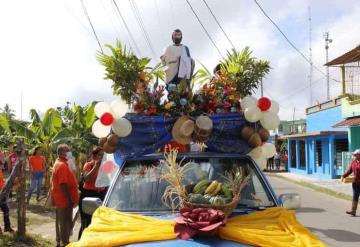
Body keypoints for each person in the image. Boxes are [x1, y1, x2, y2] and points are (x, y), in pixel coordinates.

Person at [51, 144, 79, 247]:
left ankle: (60, 241)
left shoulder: (62, 163)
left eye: (69, 150)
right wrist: (69, 199)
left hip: (62, 199)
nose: (69, 153)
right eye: (66, 151)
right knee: (64, 223)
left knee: (63, 222)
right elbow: (63, 185)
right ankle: (65, 243)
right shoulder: (61, 165)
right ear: (60, 153)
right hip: (64, 200)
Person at [78, 147, 107, 239]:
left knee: (99, 220)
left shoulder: (106, 166)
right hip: (89, 195)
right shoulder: (88, 165)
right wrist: (96, 166)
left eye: (104, 155)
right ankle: (83, 240)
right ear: (95, 156)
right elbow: (86, 178)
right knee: (87, 220)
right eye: (100, 155)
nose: (102, 157)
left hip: (101, 194)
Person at [341, 149, 360, 216]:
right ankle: (353, 211)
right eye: (355, 155)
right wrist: (343, 176)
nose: (355, 156)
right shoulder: (354, 162)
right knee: (355, 196)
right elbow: (350, 170)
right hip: (355, 183)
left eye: (356, 154)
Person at [0, 159, 15, 233]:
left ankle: (7, 227)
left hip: (2, 194)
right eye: (2, 164)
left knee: (6, 210)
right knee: (5, 209)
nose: (3, 165)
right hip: (0, 194)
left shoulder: (0, 171)